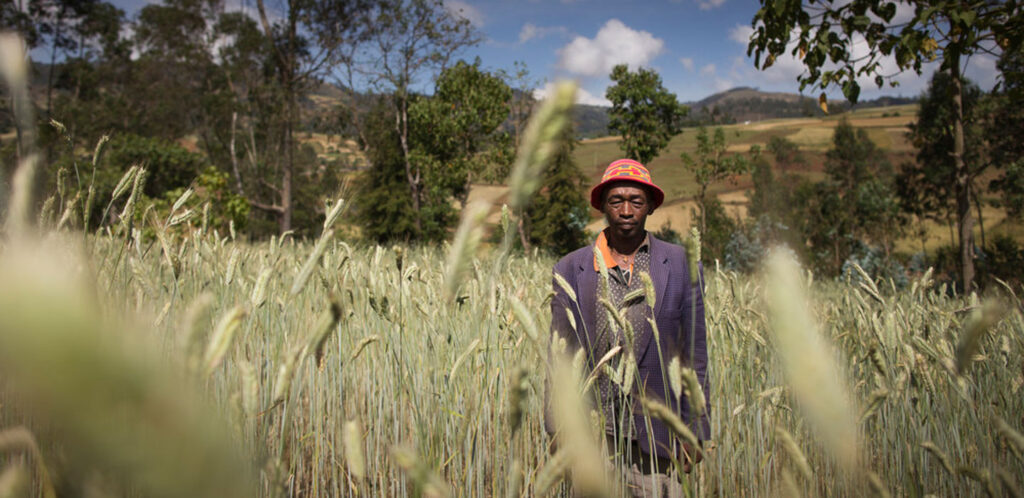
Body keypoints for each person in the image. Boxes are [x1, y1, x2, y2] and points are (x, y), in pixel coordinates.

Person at [545, 158, 709, 497]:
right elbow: (558, 356)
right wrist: (556, 426)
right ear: (603, 206)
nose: (626, 210)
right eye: (616, 200)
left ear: (650, 207)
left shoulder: (681, 265)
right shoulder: (570, 268)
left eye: (636, 201)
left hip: (658, 435)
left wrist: (695, 427)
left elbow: (695, 356)